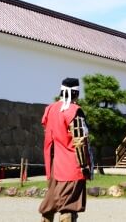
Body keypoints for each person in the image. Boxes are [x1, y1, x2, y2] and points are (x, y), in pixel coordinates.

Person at [39, 78, 91, 222]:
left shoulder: (50, 109)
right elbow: (79, 141)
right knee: (68, 208)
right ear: (76, 93)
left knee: (49, 207)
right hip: (71, 167)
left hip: (54, 166)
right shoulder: (74, 111)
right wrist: (84, 165)